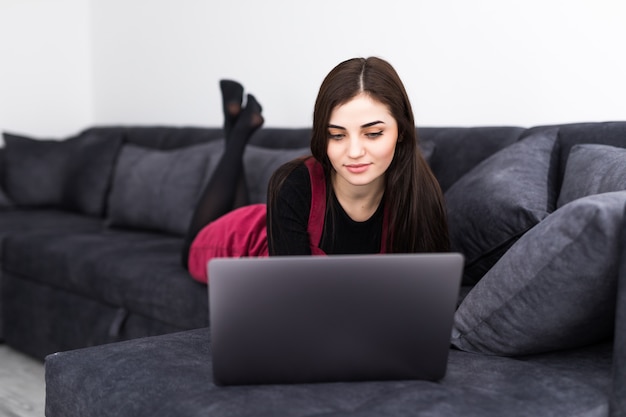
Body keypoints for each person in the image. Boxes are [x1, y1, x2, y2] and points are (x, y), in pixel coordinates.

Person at [183, 57, 449, 283]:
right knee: (189, 250)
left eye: (373, 133)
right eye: (336, 135)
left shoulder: (422, 193)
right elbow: (294, 299)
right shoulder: (292, 183)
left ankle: (236, 127)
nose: (354, 152)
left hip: (280, 229)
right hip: (242, 240)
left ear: (401, 131)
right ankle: (237, 134)